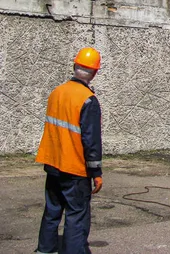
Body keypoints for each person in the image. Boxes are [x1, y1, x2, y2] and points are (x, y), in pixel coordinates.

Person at [35, 47, 103, 254]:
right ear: (95, 73)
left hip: (53, 164)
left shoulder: (57, 93)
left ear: (75, 66)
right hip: (74, 169)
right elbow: (91, 142)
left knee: (52, 211)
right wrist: (96, 174)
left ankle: (44, 250)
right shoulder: (88, 100)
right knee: (76, 216)